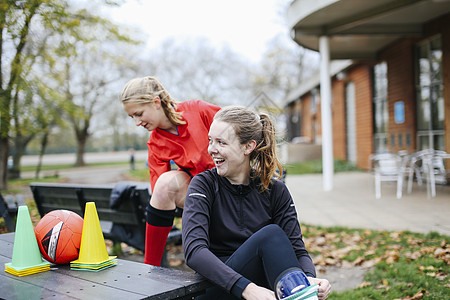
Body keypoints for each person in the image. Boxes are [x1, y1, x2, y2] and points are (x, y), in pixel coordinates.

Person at [182, 106, 331, 300]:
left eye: (221, 142)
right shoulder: (203, 185)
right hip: (217, 287)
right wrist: (247, 288)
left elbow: (297, 250)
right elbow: (194, 251)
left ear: (248, 147)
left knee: (275, 240)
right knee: (271, 235)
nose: (211, 149)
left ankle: (303, 294)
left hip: (265, 290)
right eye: (210, 140)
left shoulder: (275, 190)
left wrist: (309, 280)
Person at [119, 76, 221, 266]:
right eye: (132, 116)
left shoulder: (199, 110)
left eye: (139, 114)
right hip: (205, 197)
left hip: (235, 186)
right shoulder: (155, 143)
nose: (137, 122)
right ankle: (151, 267)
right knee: (166, 184)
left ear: (156, 102)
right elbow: (160, 195)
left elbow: (239, 134)